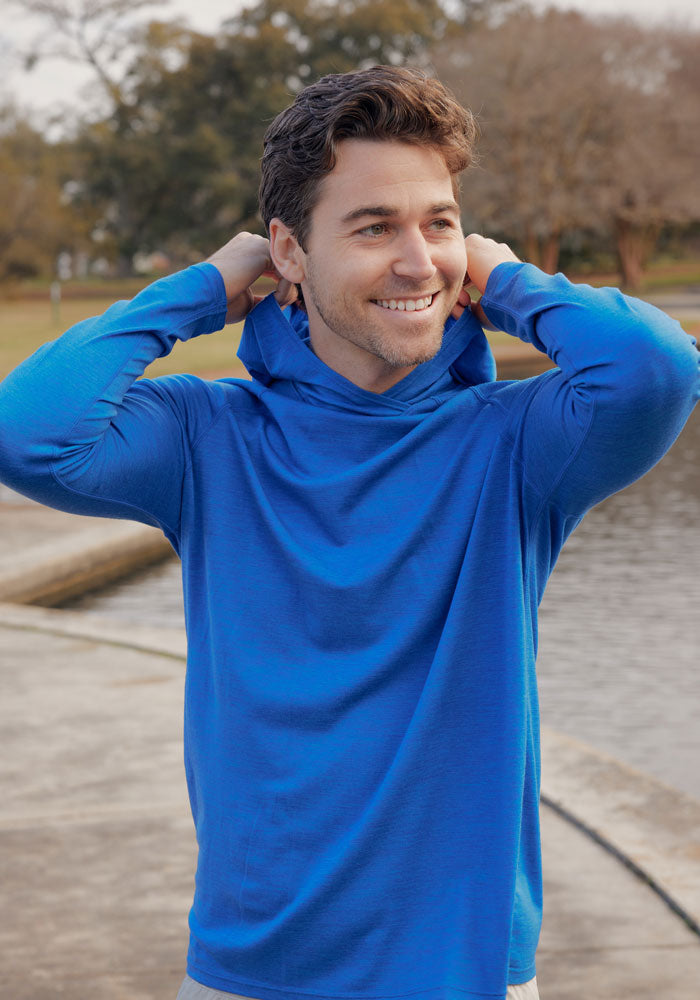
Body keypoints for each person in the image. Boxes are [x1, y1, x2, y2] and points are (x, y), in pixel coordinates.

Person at [0, 66, 698, 1000]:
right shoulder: (210, 439)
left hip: (469, 971)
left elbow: (653, 369)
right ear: (288, 250)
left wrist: (498, 274)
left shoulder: (518, 443)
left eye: (438, 221)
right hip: (255, 972)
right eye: (374, 227)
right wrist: (205, 289)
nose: (418, 261)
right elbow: (30, 431)